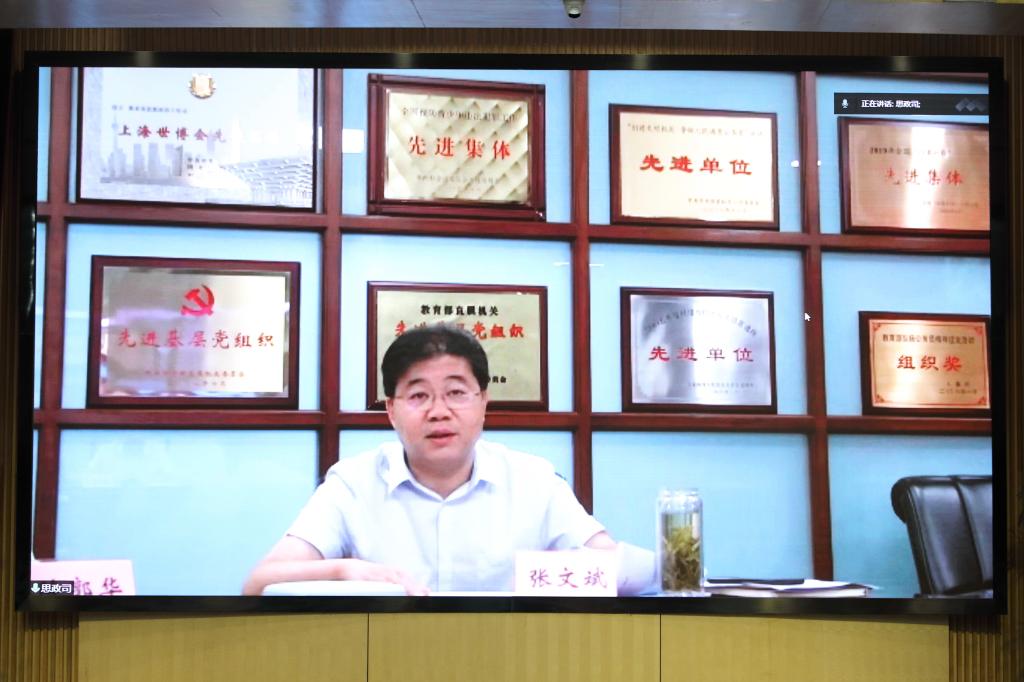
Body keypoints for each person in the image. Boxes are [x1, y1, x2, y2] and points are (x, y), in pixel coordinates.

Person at [243, 323, 652, 596]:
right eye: (418, 395)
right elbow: (259, 582)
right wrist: (345, 571)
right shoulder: (353, 483)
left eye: (456, 393)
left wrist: (555, 575)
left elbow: (612, 565)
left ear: (483, 402)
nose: (438, 412)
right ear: (391, 410)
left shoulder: (534, 480)